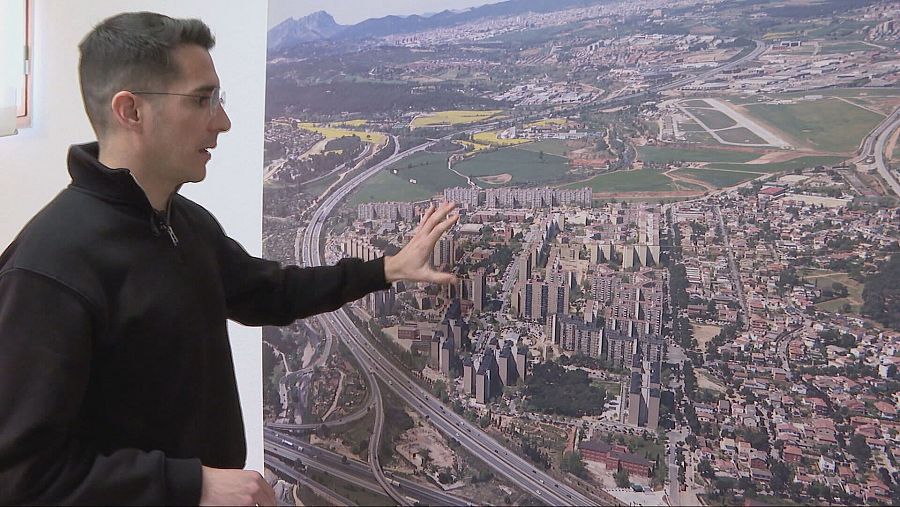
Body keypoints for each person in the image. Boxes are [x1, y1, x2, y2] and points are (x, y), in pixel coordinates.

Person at [0, 12, 458, 506]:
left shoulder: (183, 224)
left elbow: (269, 292)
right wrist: (190, 486)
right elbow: (21, 476)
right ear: (131, 111)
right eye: (202, 99)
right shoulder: (49, 269)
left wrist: (387, 268)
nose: (222, 121)